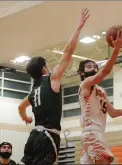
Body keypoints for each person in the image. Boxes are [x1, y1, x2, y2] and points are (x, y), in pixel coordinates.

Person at [18, 8, 90, 165]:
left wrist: (26, 117)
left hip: (34, 136)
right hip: (48, 136)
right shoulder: (52, 79)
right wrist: (78, 27)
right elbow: (69, 53)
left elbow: (20, 108)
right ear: (44, 69)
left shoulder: (32, 92)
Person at [77, 30, 122, 164]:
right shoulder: (85, 84)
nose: (92, 67)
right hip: (91, 130)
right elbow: (105, 72)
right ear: (81, 72)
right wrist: (116, 49)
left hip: (98, 132)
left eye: (94, 66)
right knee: (106, 159)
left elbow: (113, 113)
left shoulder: (101, 90)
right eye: (88, 66)